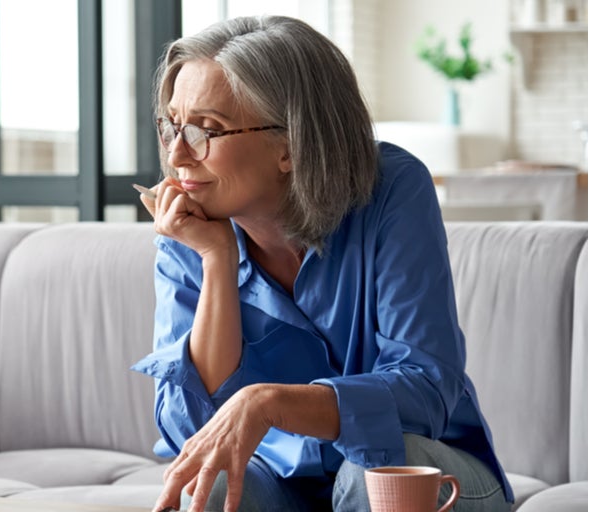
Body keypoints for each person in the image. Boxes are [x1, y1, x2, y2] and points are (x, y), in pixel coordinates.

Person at [129, 15, 513, 512]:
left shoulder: (393, 189)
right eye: (172, 126)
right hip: (282, 480)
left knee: (370, 472)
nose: (179, 154)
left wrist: (269, 403)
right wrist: (217, 260)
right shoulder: (190, 227)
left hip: (422, 467)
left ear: (289, 145)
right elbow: (190, 430)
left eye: (207, 129)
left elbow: (425, 389)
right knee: (212, 486)